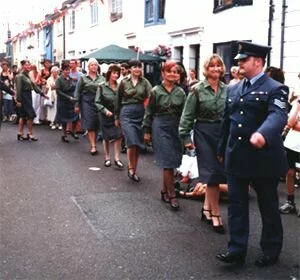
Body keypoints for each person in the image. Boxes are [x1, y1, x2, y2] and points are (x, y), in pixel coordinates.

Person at [216, 41, 289, 267]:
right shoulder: (234, 88)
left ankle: (271, 249)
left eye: (243, 60)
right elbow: (227, 122)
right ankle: (236, 249)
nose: (238, 64)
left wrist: (262, 134)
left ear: (258, 61)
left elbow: (277, 116)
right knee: (237, 206)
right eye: (238, 60)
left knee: (268, 206)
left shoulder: (275, 88)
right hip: (237, 156)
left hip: (263, 158)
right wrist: (221, 149)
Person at [179, 54, 227, 232]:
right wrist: (186, 138)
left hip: (222, 134)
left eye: (218, 66)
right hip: (203, 133)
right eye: (212, 66)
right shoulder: (197, 90)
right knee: (211, 174)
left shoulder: (227, 89)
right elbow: (187, 116)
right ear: (206, 69)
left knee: (219, 174)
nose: (216, 69)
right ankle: (216, 214)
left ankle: (206, 208)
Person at [143, 61, 186, 210]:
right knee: (167, 161)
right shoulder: (155, 91)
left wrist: (186, 131)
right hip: (160, 126)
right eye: (170, 71)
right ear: (163, 73)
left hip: (176, 127)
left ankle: (164, 190)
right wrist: (147, 131)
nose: (173, 74)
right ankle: (172, 195)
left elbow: (185, 113)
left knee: (173, 160)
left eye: (176, 72)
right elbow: (149, 112)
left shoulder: (181, 92)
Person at [115, 59, 152, 182]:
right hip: (126, 113)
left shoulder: (145, 82)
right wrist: (116, 116)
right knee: (131, 140)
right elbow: (118, 99)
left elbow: (152, 97)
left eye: (139, 67)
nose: (137, 69)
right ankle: (130, 168)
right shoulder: (123, 82)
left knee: (137, 143)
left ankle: (134, 169)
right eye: (134, 67)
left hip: (140, 112)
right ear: (129, 69)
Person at [95, 64, 124, 167]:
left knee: (119, 135)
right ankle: (107, 158)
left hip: (116, 114)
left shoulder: (120, 86)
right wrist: (105, 111)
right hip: (105, 114)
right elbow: (97, 102)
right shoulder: (102, 86)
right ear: (109, 74)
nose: (116, 75)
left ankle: (117, 158)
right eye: (114, 73)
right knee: (106, 136)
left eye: (117, 73)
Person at [75, 58, 104, 155]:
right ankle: (93, 146)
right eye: (92, 65)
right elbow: (78, 92)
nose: (94, 67)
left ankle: (94, 142)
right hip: (86, 102)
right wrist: (77, 105)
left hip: (98, 102)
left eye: (95, 65)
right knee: (90, 123)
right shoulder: (83, 78)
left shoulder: (102, 78)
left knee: (96, 124)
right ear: (88, 67)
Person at [15, 60, 48, 141]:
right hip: (24, 96)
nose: (28, 66)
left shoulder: (27, 75)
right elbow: (18, 89)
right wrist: (18, 100)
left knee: (23, 116)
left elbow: (34, 86)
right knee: (30, 115)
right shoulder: (20, 76)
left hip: (28, 95)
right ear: (22, 66)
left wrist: (42, 94)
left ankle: (20, 133)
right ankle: (30, 134)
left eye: (29, 65)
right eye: (26, 65)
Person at [279, 93, 300, 216]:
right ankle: (290, 201)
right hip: (292, 143)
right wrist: (297, 105)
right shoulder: (297, 102)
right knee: (290, 172)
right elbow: (290, 122)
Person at [55, 62, 79, 143]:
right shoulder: (59, 79)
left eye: (69, 70)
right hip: (63, 101)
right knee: (64, 119)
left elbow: (74, 87)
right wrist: (68, 97)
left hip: (71, 100)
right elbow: (58, 91)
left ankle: (73, 131)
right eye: (66, 70)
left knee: (76, 116)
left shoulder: (71, 78)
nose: (68, 72)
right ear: (62, 70)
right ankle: (64, 135)